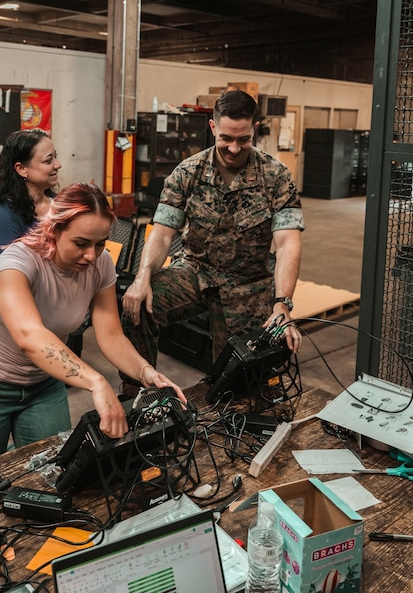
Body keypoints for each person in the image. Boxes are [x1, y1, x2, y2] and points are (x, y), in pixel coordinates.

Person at [0, 183, 186, 460]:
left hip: (44, 385)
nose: (91, 255)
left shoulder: (101, 264)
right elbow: (29, 335)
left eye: (100, 244)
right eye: (81, 243)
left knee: (52, 468)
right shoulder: (18, 262)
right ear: (54, 230)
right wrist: (97, 382)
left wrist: (146, 372)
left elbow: (110, 334)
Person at [120, 89, 304, 394]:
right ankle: (139, 395)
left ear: (255, 129)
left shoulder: (276, 176)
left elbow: (287, 243)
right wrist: (142, 278)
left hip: (248, 285)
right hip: (195, 271)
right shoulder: (187, 172)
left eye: (243, 139)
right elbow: (163, 231)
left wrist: (283, 303)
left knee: (241, 380)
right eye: (226, 138)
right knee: (138, 307)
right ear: (213, 128)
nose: (233, 148)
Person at [0, 128, 61, 336]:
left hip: (44, 317)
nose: (57, 165)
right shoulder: (1, 214)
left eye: (56, 157)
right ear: (21, 168)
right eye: (48, 160)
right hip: (0, 325)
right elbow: (8, 282)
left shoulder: (58, 205)